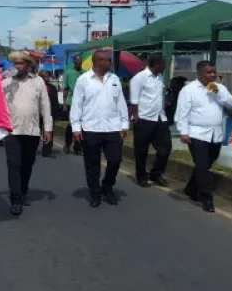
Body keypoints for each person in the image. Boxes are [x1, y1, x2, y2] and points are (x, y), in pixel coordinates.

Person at [175, 61, 232, 213]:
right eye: (208, 72)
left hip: (215, 135)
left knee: (206, 164)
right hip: (196, 134)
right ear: (200, 74)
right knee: (203, 166)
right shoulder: (189, 90)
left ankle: (191, 189)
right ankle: (206, 198)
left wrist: (218, 93)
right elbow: (182, 112)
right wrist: (183, 132)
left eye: (213, 72)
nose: (212, 75)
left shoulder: (219, 88)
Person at [69, 50, 129, 208]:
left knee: (115, 160)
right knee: (92, 163)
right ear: (97, 62)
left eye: (110, 60)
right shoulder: (83, 80)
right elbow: (76, 105)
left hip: (112, 127)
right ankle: (94, 192)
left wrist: (125, 124)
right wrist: (76, 127)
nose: (110, 63)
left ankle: (107, 186)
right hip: (91, 128)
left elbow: (120, 102)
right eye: (107, 60)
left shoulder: (114, 79)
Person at [2, 52, 53, 215]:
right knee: (14, 164)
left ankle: (23, 191)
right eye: (15, 64)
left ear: (29, 65)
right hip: (12, 131)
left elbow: (45, 106)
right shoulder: (7, 82)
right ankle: (15, 199)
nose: (17, 66)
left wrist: (48, 129)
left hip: (32, 131)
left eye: (21, 63)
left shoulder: (38, 82)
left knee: (27, 164)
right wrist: (0, 78)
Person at [129, 55, 171, 187]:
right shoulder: (139, 78)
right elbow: (134, 100)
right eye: (164, 65)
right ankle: (141, 176)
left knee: (165, 148)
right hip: (144, 118)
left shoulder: (159, 77)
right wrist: (136, 117)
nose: (165, 67)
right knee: (141, 150)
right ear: (157, 65)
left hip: (160, 118)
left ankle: (155, 174)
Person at [63, 55, 84, 155]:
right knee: (72, 125)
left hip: (83, 104)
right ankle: (67, 144)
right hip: (72, 102)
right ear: (74, 62)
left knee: (81, 125)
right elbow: (65, 89)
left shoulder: (85, 73)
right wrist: (64, 104)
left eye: (80, 62)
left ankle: (78, 147)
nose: (79, 63)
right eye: (77, 62)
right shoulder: (68, 73)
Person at [38, 71, 60, 158]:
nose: (46, 79)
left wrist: (55, 113)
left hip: (49, 113)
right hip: (37, 114)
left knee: (49, 131)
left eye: (47, 77)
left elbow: (55, 102)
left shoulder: (53, 88)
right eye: (44, 77)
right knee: (36, 132)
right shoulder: (36, 87)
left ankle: (47, 150)